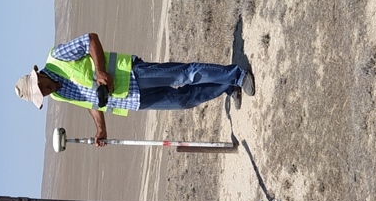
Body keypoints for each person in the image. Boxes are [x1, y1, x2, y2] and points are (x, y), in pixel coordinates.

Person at [15, 33, 255, 145]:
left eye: (41, 89)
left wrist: (100, 71)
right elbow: (90, 102)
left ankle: (237, 74)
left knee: (185, 74)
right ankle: (226, 85)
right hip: (130, 100)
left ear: (38, 77)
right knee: (183, 100)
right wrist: (101, 129)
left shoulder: (57, 57)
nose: (45, 93)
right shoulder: (58, 94)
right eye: (41, 96)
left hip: (131, 73)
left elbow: (91, 40)